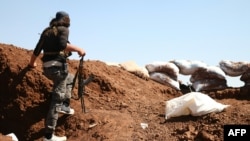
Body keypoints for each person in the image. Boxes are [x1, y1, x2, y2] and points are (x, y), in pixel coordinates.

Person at [28, 11, 85, 141]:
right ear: (65, 20)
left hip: (47, 68)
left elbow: (37, 49)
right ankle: (48, 136)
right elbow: (62, 45)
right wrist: (78, 49)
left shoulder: (47, 31)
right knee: (56, 100)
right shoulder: (63, 29)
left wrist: (32, 63)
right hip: (58, 68)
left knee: (70, 78)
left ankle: (65, 105)